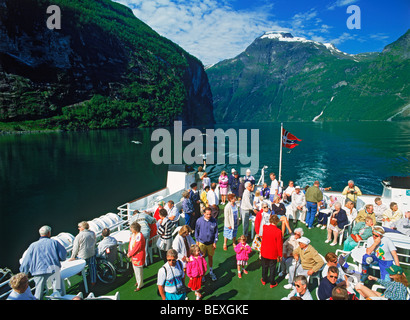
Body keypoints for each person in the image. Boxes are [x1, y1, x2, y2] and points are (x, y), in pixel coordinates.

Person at [19, 225, 67, 300]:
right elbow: (63, 256)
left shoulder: (33, 245)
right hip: (54, 269)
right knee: (57, 292)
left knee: (38, 294)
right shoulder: (55, 242)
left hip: (38, 271)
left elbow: (26, 261)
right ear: (49, 233)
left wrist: (23, 273)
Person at [69, 221, 97, 289]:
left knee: (78, 267)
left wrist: (73, 257)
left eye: (79, 227)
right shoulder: (92, 233)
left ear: (82, 228)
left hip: (82, 256)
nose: (78, 228)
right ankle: (93, 281)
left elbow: (75, 248)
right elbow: (95, 242)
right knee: (92, 268)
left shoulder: (79, 236)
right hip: (92, 253)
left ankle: (80, 273)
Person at [195, 207, 218, 281]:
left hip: (211, 243)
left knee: (210, 257)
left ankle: (211, 272)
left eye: (210, 214)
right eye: (207, 214)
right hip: (202, 243)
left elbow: (216, 232)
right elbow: (196, 231)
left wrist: (215, 242)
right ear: (204, 213)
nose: (209, 216)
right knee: (202, 259)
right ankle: (203, 274)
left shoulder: (214, 220)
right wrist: (197, 241)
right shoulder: (199, 221)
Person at [260, 215, 282, 288]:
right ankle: (272, 283)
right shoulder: (278, 231)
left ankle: (264, 280)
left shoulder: (265, 228)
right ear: (277, 222)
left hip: (264, 251)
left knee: (264, 266)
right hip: (273, 253)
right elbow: (279, 245)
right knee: (272, 268)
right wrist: (280, 255)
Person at [127, 221, 145, 292]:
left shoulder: (139, 237)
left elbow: (137, 247)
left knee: (139, 270)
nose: (131, 229)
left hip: (138, 256)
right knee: (135, 270)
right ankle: (138, 281)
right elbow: (130, 245)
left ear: (135, 229)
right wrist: (129, 252)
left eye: (131, 228)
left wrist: (130, 254)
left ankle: (140, 284)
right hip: (134, 255)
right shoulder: (133, 235)